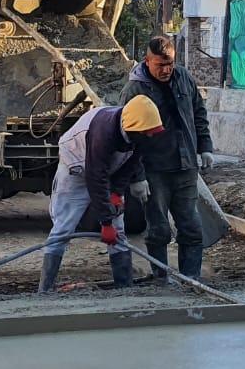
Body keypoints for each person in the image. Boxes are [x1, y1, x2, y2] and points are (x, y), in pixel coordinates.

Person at [38, 95, 164, 293]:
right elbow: (96, 178)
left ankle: (124, 287)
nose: (150, 136)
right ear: (133, 127)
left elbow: (129, 164)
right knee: (63, 228)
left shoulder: (142, 133)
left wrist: (116, 193)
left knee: (119, 231)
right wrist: (105, 222)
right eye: (146, 133)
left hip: (106, 169)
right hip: (76, 168)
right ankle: (44, 289)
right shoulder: (103, 132)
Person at [118, 35, 214, 280]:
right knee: (159, 229)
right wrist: (137, 176)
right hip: (155, 170)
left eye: (169, 63)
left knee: (191, 227)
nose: (166, 69)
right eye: (160, 64)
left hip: (185, 167)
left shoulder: (184, 78)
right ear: (147, 61)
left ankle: (190, 278)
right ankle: (162, 278)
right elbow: (127, 136)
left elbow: (198, 113)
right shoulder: (135, 90)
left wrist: (205, 146)